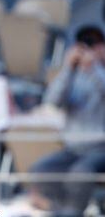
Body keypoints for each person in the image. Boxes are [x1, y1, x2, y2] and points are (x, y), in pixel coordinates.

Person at [30, 25, 105, 216]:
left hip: (100, 148)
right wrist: (68, 69)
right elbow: (52, 101)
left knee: (80, 173)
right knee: (41, 170)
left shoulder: (99, 73)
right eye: (85, 44)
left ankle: (72, 213)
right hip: (72, 148)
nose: (90, 49)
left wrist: (94, 68)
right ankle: (62, 211)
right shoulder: (73, 77)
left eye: (95, 44)